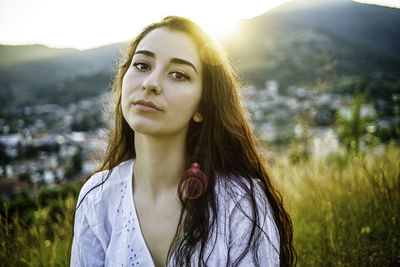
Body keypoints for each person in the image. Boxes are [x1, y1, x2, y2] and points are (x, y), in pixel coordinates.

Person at [70, 16, 296, 267]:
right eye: (143, 65)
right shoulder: (97, 199)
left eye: (178, 74)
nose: (150, 83)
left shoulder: (240, 203)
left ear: (202, 107)